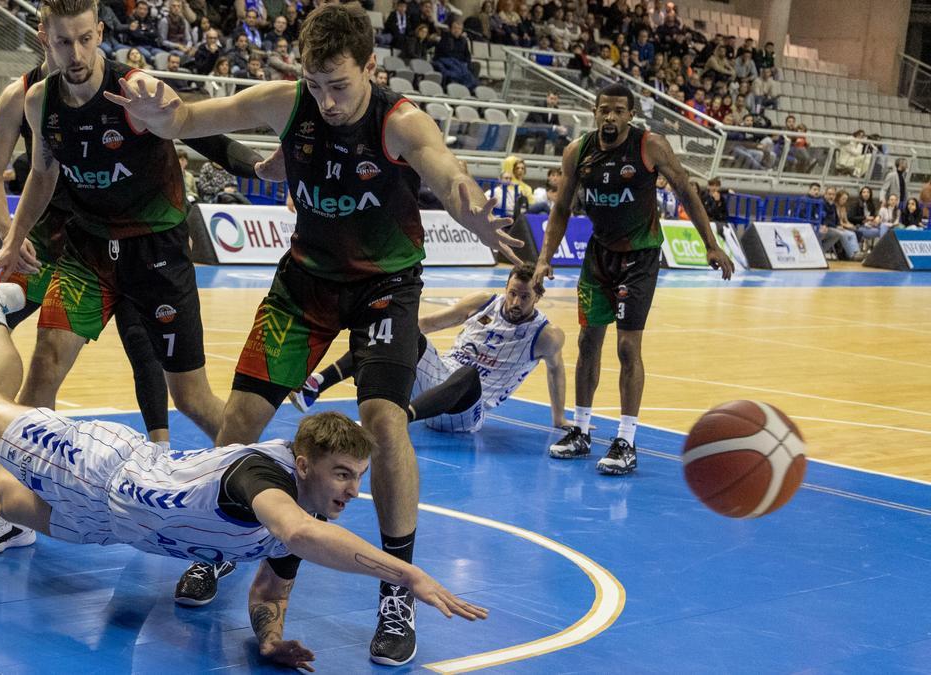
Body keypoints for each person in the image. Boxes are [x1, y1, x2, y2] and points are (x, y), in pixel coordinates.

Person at [103, 3, 519, 665]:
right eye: (316, 85)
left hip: (385, 284)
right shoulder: (286, 102)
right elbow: (185, 118)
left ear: (372, 70)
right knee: (238, 419)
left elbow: (446, 170)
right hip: (305, 283)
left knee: (384, 420)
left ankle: (395, 592)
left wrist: (472, 206)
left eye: (340, 86)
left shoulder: (400, 121)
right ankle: (220, 545)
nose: (326, 101)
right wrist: (157, 100)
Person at [0, 278, 488, 672]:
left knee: (14, 505)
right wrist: (407, 573)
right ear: (303, 466)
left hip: (113, 522)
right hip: (100, 466)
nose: (352, 492)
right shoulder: (261, 478)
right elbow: (301, 538)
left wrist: (270, 640)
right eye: (342, 476)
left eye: (357, 478)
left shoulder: (303, 511)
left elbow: (270, 592)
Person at [0, 0, 267, 557]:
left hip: (156, 254)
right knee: (42, 376)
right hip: (87, 254)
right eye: (64, 42)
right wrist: (11, 239)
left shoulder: (139, 91)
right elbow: (43, 173)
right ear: (45, 40)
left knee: (192, 397)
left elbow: (204, 132)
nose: (76, 54)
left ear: (100, 33)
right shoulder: (38, 100)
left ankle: (263, 494)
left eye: (85, 40)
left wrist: (257, 167)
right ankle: (18, 515)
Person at [534, 83, 733, 476]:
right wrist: (544, 259)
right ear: (595, 112)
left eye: (618, 111)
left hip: (640, 257)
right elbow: (560, 209)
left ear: (631, 114)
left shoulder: (650, 146)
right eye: (604, 110)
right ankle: (582, 430)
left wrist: (710, 244)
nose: (610, 117)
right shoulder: (578, 151)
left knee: (627, 347)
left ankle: (626, 440)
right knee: (588, 342)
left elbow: (687, 192)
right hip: (598, 257)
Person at [291, 264, 567, 433]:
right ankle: (315, 385)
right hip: (436, 381)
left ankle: (399, 419)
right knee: (398, 333)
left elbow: (556, 372)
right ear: (505, 288)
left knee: (469, 374)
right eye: (512, 293)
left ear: (539, 297)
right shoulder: (483, 302)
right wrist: (393, 331)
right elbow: (426, 324)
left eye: (525, 296)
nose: (516, 302)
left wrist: (559, 419)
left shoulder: (546, 335)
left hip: (466, 412)